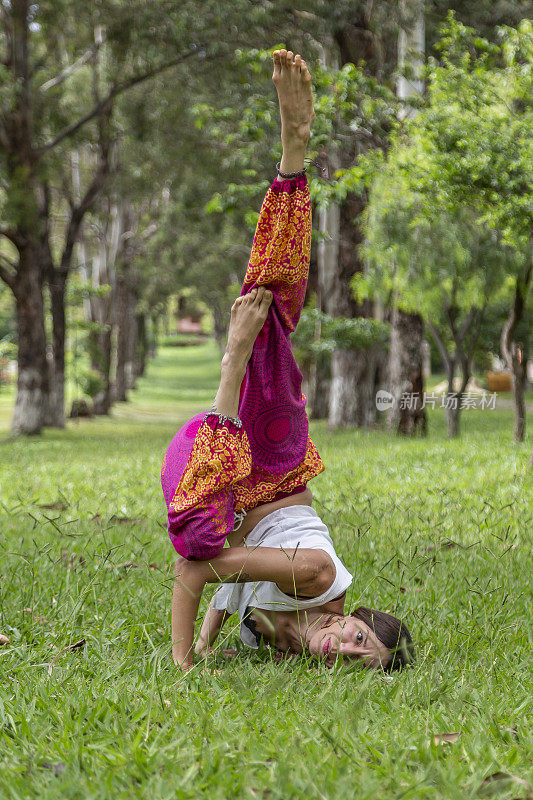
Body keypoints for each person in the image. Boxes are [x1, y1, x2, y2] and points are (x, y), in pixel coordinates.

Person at [161, 49, 414, 673]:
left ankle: (236, 359)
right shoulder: (316, 574)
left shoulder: (283, 641)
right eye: (361, 639)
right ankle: (294, 155)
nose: (346, 648)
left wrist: (209, 637)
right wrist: (185, 664)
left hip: (241, 502)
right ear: (354, 617)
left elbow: (230, 585)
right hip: (276, 462)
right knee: (267, 310)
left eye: (356, 660)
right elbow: (198, 565)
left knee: (202, 526)